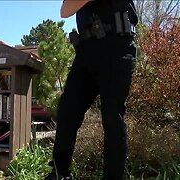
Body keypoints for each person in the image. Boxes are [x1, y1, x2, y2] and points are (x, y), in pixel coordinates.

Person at [45, 0, 138, 179]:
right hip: (86, 51)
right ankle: (59, 173)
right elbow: (65, 11)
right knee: (67, 111)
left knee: (112, 115)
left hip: (117, 45)